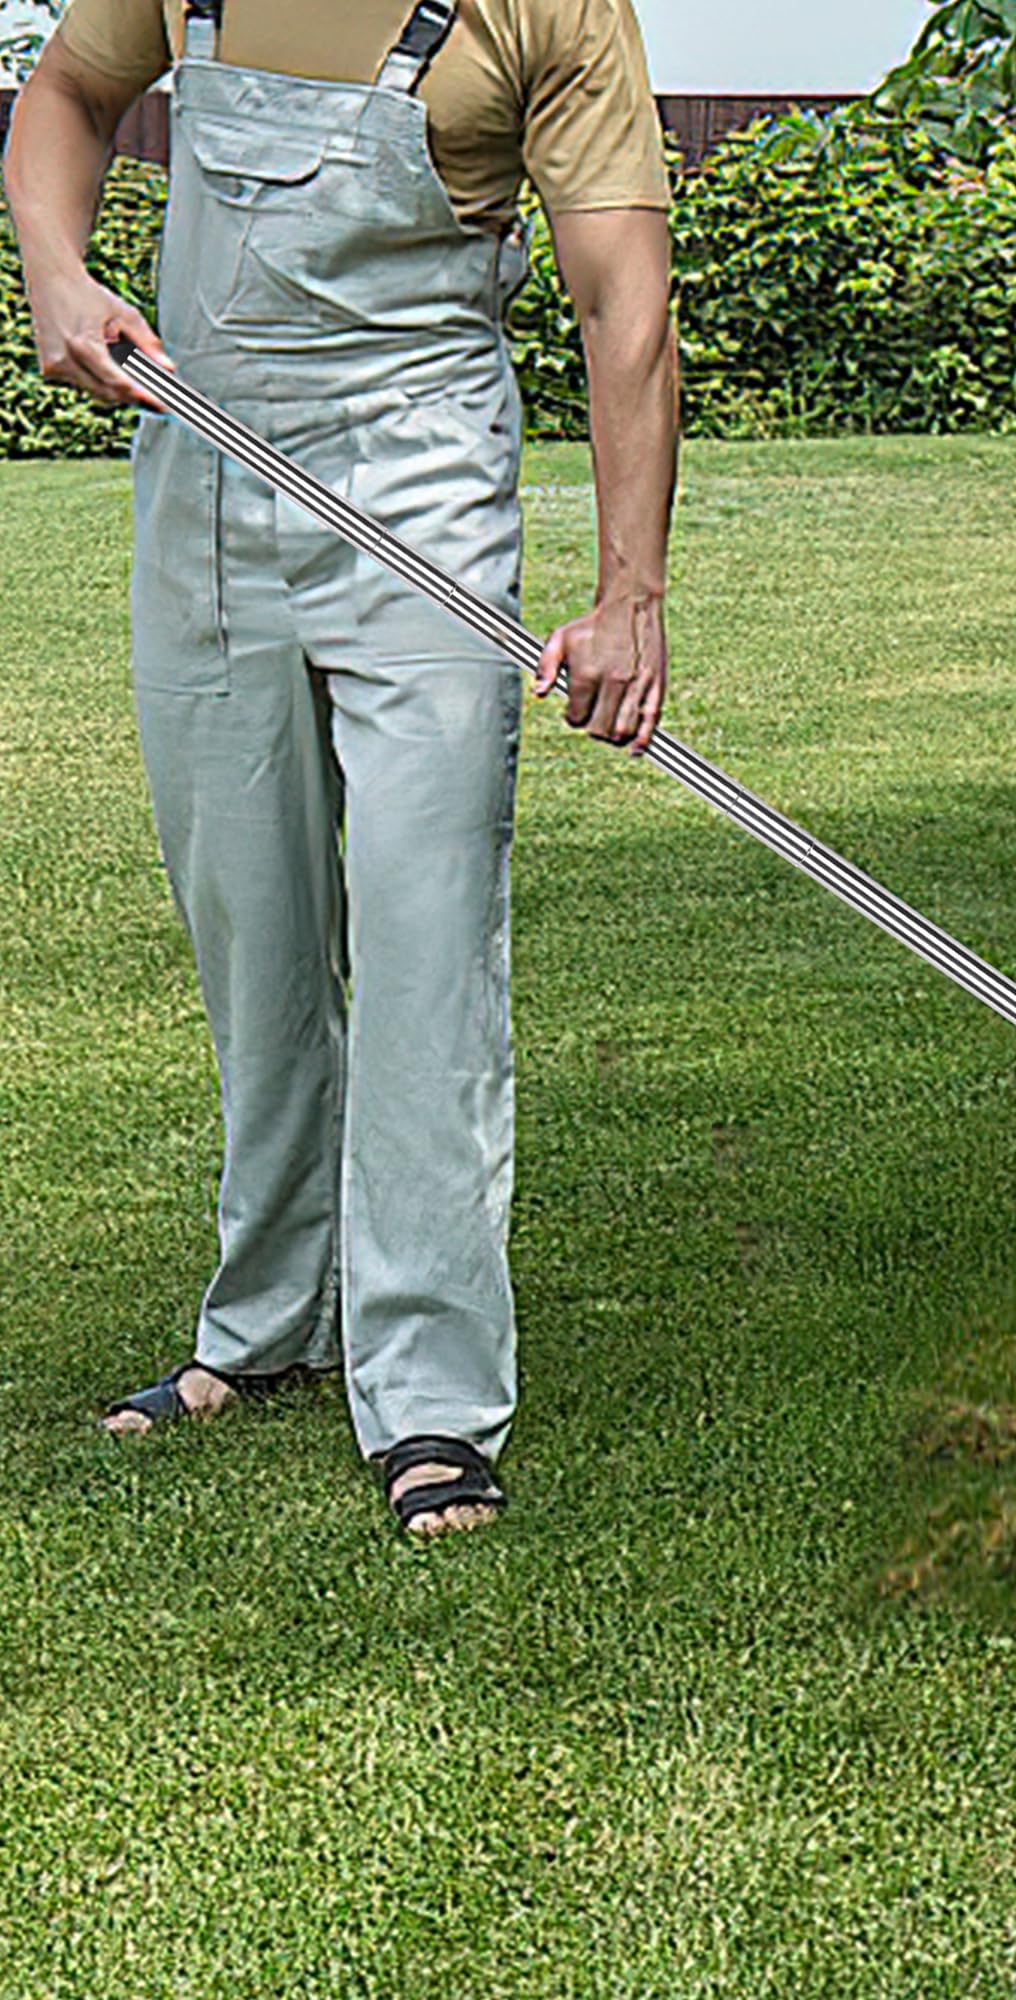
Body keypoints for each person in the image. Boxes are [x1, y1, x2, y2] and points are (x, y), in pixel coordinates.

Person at [3, 0, 679, 1535]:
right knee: (250, 928)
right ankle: (265, 1323)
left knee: (424, 932)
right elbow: (66, 96)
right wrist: (55, 269)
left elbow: (620, 298)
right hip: (206, 487)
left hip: (418, 498)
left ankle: (432, 1390)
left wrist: (627, 595)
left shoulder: (547, 10)